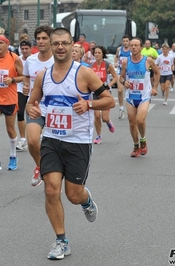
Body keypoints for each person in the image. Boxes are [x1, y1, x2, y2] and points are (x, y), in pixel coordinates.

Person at [26, 27, 115, 260]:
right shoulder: (42, 76)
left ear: (72, 44)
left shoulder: (84, 74)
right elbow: (32, 103)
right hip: (52, 140)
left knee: (72, 195)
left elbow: (109, 100)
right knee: (51, 189)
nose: (60, 47)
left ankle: (86, 200)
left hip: (78, 142)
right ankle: (61, 241)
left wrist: (89, 105)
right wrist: (31, 108)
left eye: (65, 43)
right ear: (50, 46)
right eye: (56, 43)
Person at [0, 34, 24, 171]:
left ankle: (13, 156)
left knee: (10, 129)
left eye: (2, 43)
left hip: (9, 99)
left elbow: (23, 76)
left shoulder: (15, 58)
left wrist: (12, 80)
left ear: (8, 44)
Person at [23, 25, 54, 187]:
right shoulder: (30, 60)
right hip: (35, 106)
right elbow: (26, 77)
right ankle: (41, 166)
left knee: (54, 146)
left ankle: (54, 177)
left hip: (55, 108)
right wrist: (26, 86)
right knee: (33, 141)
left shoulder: (57, 60)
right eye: (39, 38)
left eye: (44, 38)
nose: (41, 41)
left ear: (51, 41)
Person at [120, 37, 159, 157]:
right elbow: (121, 77)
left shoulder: (148, 61)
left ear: (141, 48)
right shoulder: (126, 61)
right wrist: (124, 82)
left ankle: (143, 140)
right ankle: (136, 145)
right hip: (131, 96)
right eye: (131, 45)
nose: (133, 47)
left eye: (136, 45)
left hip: (144, 96)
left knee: (140, 120)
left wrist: (154, 88)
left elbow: (157, 72)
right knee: (132, 122)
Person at [90, 45, 118, 144]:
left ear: (103, 54)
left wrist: (109, 85)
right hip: (94, 93)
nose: (97, 55)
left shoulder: (107, 65)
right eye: (95, 53)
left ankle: (108, 122)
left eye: (99, 53)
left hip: (105, 93)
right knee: (97, 116)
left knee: (104, 118)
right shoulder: (91, 66)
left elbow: (115, 77)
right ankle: (98, 136)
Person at [16, 40, 32, 151]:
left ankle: (37, 136)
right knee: (20, 113)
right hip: (20, 89)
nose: (25, 51)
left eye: (27, 49)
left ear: (30, 49)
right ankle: (23, 139)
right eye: (23, 49)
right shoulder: (18, 60)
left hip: (33, 89)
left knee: (33, 114)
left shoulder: (35, 59)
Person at [115, 34, 131, 119]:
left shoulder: (132, 50)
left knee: (129, 91)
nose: (125, 43)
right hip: (120, 72)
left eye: (126, 41)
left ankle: (132, 108)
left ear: (129, 41)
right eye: (124, 41)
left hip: (129, 73)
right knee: (120, 90)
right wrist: (116, 62)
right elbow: (116, 57)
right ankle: (121, 108)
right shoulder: (119, 49)